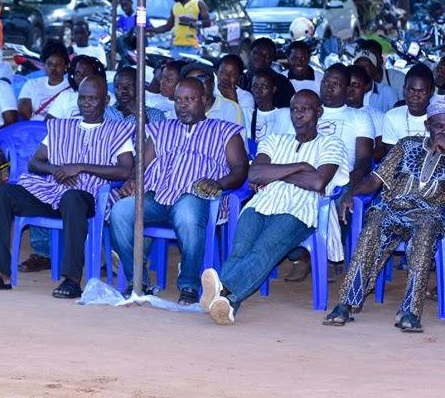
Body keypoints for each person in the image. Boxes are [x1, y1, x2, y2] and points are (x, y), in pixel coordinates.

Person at [0, 76, 134, 298]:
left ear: (105, 100)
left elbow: (125, 170)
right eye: (82, 98)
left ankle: (72, 280)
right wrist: (56, 170)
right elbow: (35, 163)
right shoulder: (62, 127)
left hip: (89, 198)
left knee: (73, 198)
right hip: (51, 192)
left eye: (93, 99)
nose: (86, 103)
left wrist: (79, 167)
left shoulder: (118, 131)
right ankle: (0, 273)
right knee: (1, 193)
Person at [325, 100, 445, 333]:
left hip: (429, 215)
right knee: (373, 226)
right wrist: (351, 195)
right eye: (439, 127)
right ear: (427, 125)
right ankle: (346, 302)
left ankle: (410, 311)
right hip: (393, 208)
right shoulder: (406, 145)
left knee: (424, 236)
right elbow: (376, 179)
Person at [200, 90, 343, 325]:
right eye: (294, 109)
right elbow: (255, 173)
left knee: (263, 249)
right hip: (261, 204)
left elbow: (317, 182)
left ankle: (221, 290)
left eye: (305, 110)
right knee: (239, 250)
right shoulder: (275, 139)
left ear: (319, 113)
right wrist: (300, 167)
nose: (298, 115)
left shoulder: (331, 144)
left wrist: (275, 175)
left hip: (299, 210)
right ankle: (227, 303)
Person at [109, 78, 248, 304]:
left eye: (190, 99)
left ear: (204, 100)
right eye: (179, 100)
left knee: (187, 213)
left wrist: (220, 183)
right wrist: (133, 181)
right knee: (121, 211)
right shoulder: (160, 129)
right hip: (157, 197)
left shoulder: (225, 131)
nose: (182, 105)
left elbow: (241, 168)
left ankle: (189, 285)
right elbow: (141, 166)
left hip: (196, 198)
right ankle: (139, 281)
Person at [280, 64, 374, 281]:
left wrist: (351, 182)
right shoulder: (304, 108)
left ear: (347, 88)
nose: (328, 88)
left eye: (336, 84)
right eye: (325, 82)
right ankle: (301, 255)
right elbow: (288, 149)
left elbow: (363, 160)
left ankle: (332, 254)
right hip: (304, 173)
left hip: (341, 178)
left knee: (343, 198)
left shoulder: (359, 118)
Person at [146, 0, 211, 60]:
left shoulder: (198, 4)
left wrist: (192, 21)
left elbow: (208, 23)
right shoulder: (175, 7)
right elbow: (167, 27)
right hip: (176, 47)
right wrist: (147, 29)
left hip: (193, 47)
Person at [380, 64, 435, 156]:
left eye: (422, 91)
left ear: (432, 92)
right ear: (404, 89)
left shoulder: (441, 118)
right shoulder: (392, 117)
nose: (415, 96)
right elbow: (391, 159)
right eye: (411, 90)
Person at [18, 40, 72, 121]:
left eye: (58, 64)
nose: (53, 68)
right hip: (35, 129)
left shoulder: (72, 87)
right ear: (44, 65)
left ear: (66, 66)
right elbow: (24, 113)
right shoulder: (32, 84)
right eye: (49, 64)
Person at [182, 62, 243, 127]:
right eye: (189, 80)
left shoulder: (230, 108)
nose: (195, 84)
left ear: (212, 84)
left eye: (201, 78)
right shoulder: (180, 109)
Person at [46, 55, 108, 120]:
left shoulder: (105, 96)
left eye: (86, 72)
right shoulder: (65, 96)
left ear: (96, 74)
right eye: (77, 73)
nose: (81, 76)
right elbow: (48, 123)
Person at [239, 37, 294, 109]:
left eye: (267, 56)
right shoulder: (238, 79)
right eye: (258, 53)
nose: (262, 58)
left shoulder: (282, 82)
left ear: (272, 60)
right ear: (249, 53)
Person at [346, 64, 385, 163]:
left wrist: (361, 157)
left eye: (355, 85)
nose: (350, 89)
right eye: (347, 84)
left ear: (366, 87)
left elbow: (381, 149)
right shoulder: (334, 112)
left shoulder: (377, 116)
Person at [247, 68, 291, 145]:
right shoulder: (246, 113)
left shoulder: (285, 115)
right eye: (255, 86)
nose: (258, 90)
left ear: (273, 89)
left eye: (264, 86)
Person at [352, 43, 398, 113]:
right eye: (359, 64)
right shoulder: (348, 91)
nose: (362, 68)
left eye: (366, 65)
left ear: (374, 68)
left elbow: (395, 117)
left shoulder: (386, 92)